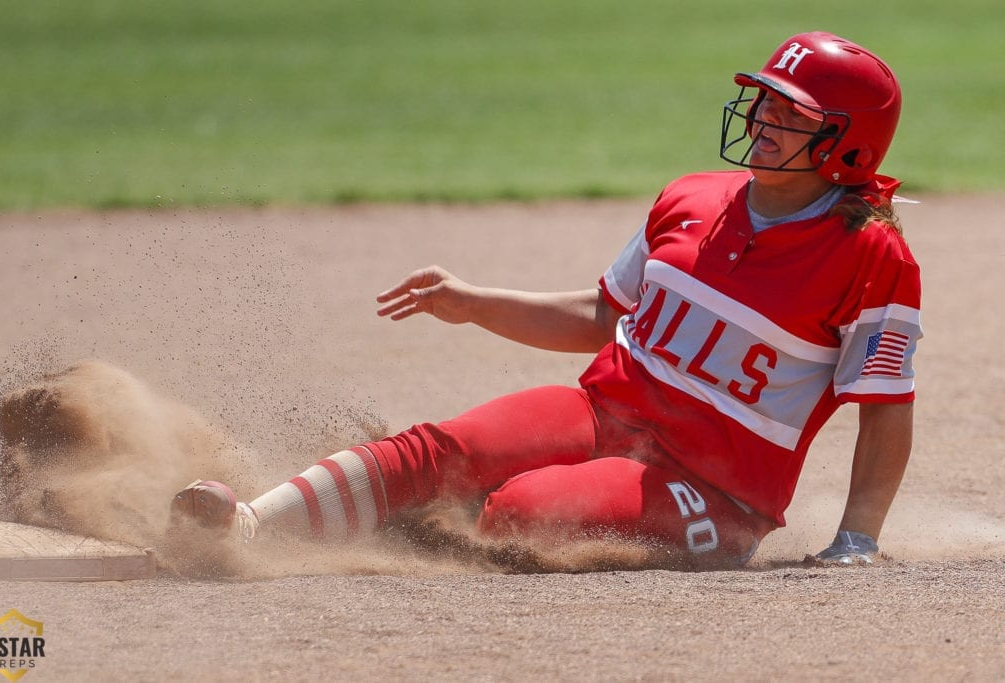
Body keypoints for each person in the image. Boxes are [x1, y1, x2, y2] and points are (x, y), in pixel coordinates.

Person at [173, 31, 922, 569]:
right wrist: (477, 302)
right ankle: (246, 525)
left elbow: (885, 405)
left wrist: (857, 536)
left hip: (714, 489)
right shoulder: (692, 198)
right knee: (440, 450)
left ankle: (405, 518)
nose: (764, 119)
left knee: (525, 514)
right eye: (765, 101)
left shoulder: (871, 255)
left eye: (792, 113)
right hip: (605, 412)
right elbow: (605, 317)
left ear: (848, 145)